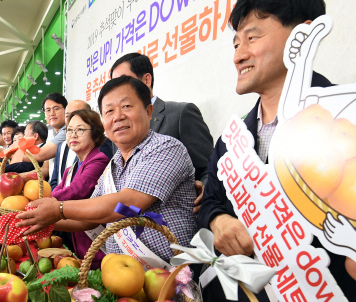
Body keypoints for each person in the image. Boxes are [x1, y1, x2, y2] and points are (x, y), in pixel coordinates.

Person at [197, 1, 356, 302]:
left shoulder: (348, 123)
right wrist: (219, 221)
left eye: (253, 36)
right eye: (236, 41)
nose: (238, 53)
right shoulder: (235, 137)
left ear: (303, 37)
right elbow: (212, 199)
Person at [17, 76, 197, 264]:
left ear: (149, 111)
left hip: (167, 278)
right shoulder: (114, 164)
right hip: (120, 275)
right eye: (109, 111)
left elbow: (128, 205)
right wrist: (41, 221)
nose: (118, 116)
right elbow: (90, 219)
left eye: (126, 106)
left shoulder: (165, 148)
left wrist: (59, 209)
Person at [110, 53, 214, 213]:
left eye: (124, 81)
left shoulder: (180, 114)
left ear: (146, 80)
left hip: (174, 226)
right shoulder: (118, 131)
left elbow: (209, 167)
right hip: (128, 226)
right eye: (113, 84)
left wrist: (206, 192)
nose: (117, 90)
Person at [52, 109, 110, 269]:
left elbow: (76, 191)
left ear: (95, 133)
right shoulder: (70, 169)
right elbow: (59, 193)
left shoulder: (99, 161)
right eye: (69, 130)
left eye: (80, 130)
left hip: (98, 248)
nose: (73, 135)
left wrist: (47, 201)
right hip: (78, 245)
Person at [50, 100, 116, 189]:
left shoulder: (100, 155)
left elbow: (78, 190)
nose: (73, 119)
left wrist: (57, 201)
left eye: (80, 129)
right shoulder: (62, 148)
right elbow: (56, 180)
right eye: (67, 116)